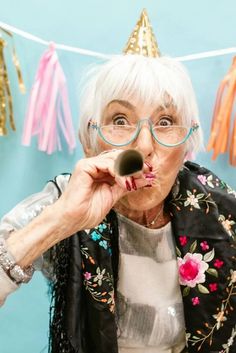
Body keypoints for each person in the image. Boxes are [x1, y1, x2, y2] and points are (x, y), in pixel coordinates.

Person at [0, 10, 235, 353]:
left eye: (166, 120)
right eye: (121, 120)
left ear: (187, 145)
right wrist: (61, 220)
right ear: (90, 141)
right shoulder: (66, 201)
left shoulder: (225, 215)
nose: (143, 147)